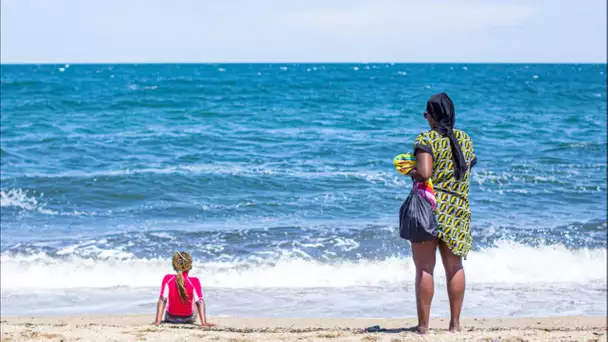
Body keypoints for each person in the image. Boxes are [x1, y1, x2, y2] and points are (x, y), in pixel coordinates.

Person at [408, 92, 477, 334]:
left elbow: (425, 173)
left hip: (429, 209)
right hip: (457, 210)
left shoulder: (427, 138)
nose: (425, 118)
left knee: (425, 267)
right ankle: (455, 325)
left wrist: (410, 170)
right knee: (454, 266)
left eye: (426, 114)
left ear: (432, 116)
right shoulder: (465, 139)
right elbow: (470, 163)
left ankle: (424, 327)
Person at [154, 251, 215, 327]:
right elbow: (200, 302)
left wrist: (157, 322)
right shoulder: (194, 281)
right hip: (188, 318)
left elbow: (163, 299)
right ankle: (201, 320)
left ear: (174, 265)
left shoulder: (167, 279)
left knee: (169, 299)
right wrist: (204, 323)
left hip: (170, 318)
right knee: (195, 299)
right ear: (190, 266)